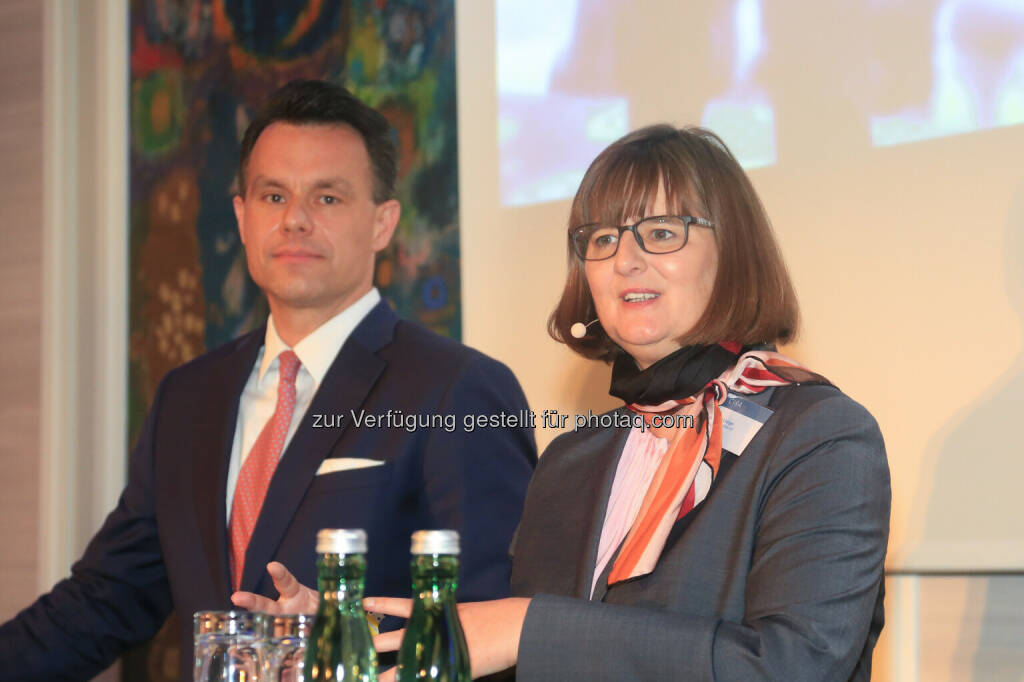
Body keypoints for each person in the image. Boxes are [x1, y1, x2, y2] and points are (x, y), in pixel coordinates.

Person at [0, 80, 536, 681]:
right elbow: (105, 599)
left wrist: (346, 639)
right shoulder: (187, 397)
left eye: (328, 198)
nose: (295, 221)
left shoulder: (457, 389)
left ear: (384, 223)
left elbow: (496, 627)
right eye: (273, 196)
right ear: (242, 216)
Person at [366, 125, 890, 681]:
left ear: (733, 253)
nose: (625, 260)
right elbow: (528, 661)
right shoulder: (571, 458)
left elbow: (792, 668)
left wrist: (529, 628)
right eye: (602, 239)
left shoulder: (821, 436)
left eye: (662, 232)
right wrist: (354, 633)